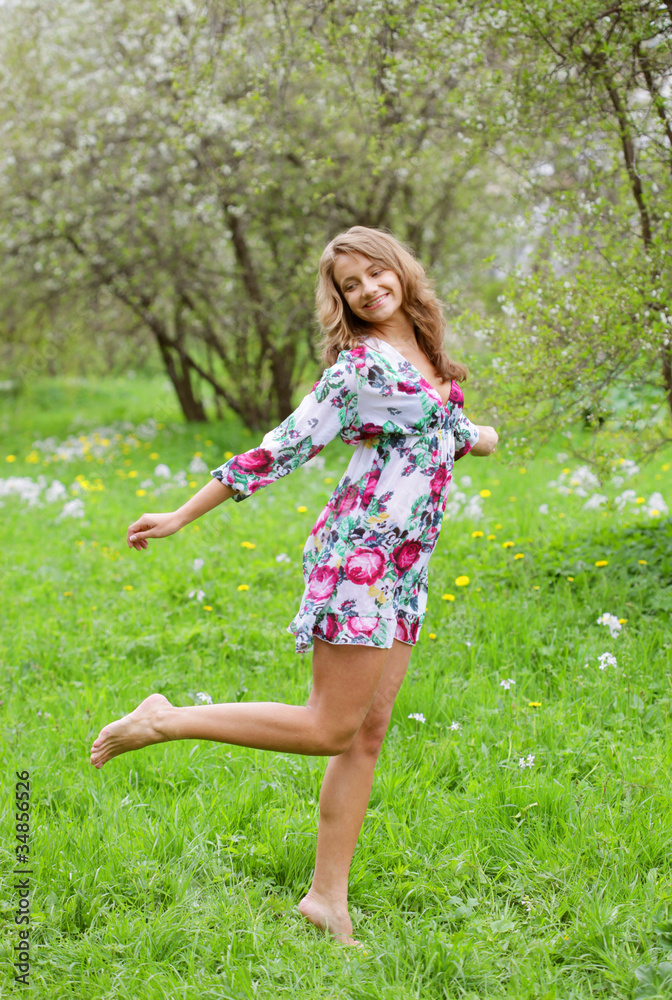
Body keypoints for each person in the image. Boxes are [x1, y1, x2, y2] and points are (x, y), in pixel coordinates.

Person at [90, 226, 498, 945]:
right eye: (351, 285)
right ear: (339, 300)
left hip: (406, 566)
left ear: (401, 271)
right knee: (330, 726)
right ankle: (165, 719)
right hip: (361, 560)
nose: (368, 290)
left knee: (366, 735)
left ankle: (327, 900)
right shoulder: (358, 369)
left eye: (376, 273)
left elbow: (430, 428)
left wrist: (476, 434)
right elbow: (279, 447)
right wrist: (181, 515)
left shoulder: (425, 356)